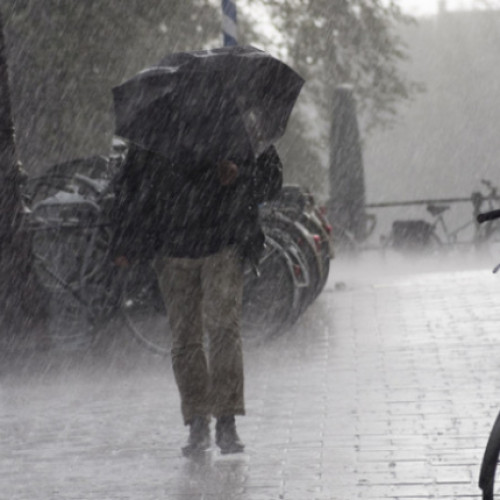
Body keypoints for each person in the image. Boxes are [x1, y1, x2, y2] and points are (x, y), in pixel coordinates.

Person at [109, 142, 282, 457]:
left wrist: (239, 173)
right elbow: (131, 186)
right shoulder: (158, 126)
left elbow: (270, 183)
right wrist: (125, 242)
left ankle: (226, 420)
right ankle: (198, 420)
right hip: (172, 249)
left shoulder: (236, 121)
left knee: (222, 330)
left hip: (223, 243)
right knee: (186, 337)